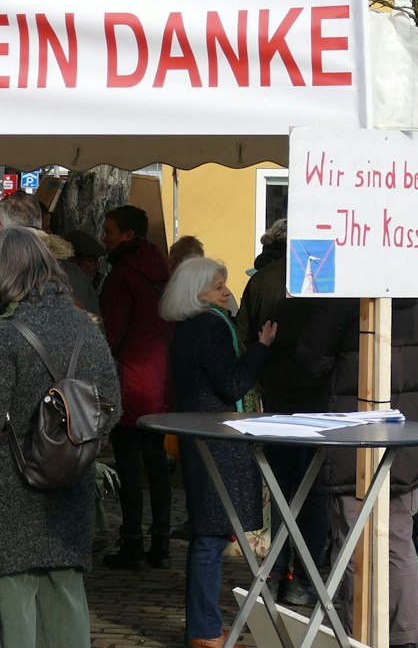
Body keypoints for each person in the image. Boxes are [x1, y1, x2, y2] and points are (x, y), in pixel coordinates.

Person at [0, 226, 120, 648]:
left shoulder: (4, 334)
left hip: (7, 497)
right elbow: (111, 406)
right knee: (66, 619)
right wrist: (73, 452)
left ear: (2, 274)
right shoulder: (86, 328)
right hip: (69, 494)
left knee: (10, 623)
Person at [301, 291, 418, 644]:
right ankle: (404, 636)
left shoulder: (347, 299)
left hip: (354, 437)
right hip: (407, 435)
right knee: (399, 540)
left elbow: (311, 358)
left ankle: (358, 637)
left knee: (353, 541)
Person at [164, 256, 274, 648]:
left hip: (204, 436)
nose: (227, 292)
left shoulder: (188, 327)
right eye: (218, 286)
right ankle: (205, 630)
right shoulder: (210, 327)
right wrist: (261, 348)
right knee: (211, 535)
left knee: (208, 532)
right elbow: (232, 384)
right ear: (198, 293)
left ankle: (204, 626)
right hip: (219, 440)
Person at [239, 219, 327, 609]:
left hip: (278, 398)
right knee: (314, 492)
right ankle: (304, 578)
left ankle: (274, 573)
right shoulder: (330, 279)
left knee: (278, 490)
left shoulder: (262, 280)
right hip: (321, 403)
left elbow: (245, 338)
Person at [97, 203, 174, 569]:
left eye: (109, 232)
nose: (104, 239)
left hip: (130, 381)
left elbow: (111, 334)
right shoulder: (161, 271)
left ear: (128, 235)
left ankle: (131, 542)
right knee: (156, 465)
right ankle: (161, 542)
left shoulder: (122, 277)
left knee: (130, 468)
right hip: (159, 380)